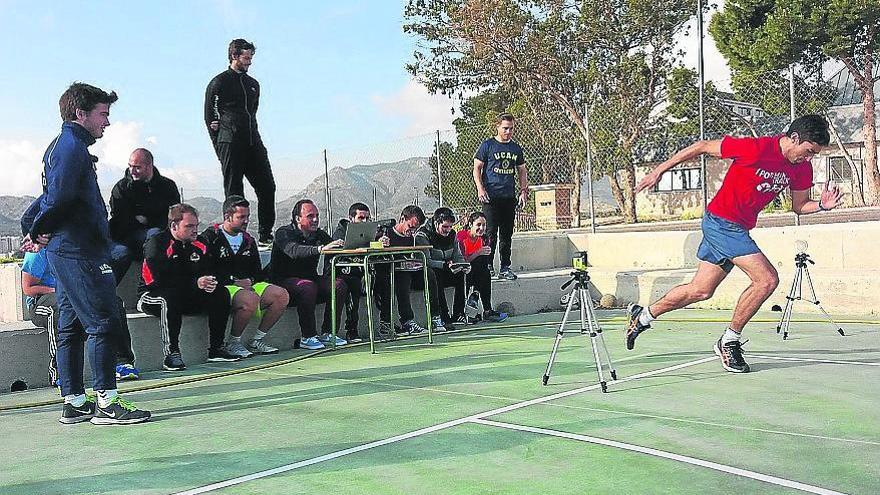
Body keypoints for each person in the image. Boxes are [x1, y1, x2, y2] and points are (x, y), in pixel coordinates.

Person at [627, 114, 842, 373]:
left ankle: (643, 316)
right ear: (794, 138)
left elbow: (799, 206)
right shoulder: (756, 148)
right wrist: (658, 171)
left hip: (736, 228)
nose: (809, 158)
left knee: (700, 290)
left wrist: (821, 205)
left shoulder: (801, 168)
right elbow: (702, 146)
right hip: (720, 223)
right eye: (808, 151)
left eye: (814, 155)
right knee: (767, 280)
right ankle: (729, 341)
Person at [26, 82, 149, 425]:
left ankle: (75, 401)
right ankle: (107, 403)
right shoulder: (70, 148)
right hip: (79, 252)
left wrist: (33, 224)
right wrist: (37, 228)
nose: (107, 122)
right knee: (102, 323)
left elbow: (52, 196)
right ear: (81, 114)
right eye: (103, 114)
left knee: (71, 327)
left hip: (70, 250)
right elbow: (60, 199)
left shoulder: (66, 147)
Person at [138, 203, 242, 371]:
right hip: (153, 295)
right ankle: (171, 353)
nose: (195, 230)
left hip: (186, 295)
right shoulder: (157, 243)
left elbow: (210, 269)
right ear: (174, 225)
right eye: (189, 226)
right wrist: (195, 283)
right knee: (169, 300)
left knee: (220, 293)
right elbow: (157, 281)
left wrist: (209, 282)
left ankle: (216, 349)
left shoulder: (200, 243)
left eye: (196, 226)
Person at [21, 250, 140, 385]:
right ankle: (60, 371)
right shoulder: (39, 249)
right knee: (59, 309)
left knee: (113, 302)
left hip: (76, 292)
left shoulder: (79, 243)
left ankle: (122, 361)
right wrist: (63, 290)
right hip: (41, 300)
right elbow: (28, 288)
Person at [205, 38, 276, 246]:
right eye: (246, 58)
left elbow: (252, 113)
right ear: (234, 56)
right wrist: (220, 147)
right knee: (235, 192)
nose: (249, 62)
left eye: (251, 58)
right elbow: (210, 118)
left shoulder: (253, 84)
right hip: (230, 143)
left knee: (267, 186)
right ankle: (235, 234)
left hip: (253, 142)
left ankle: (265, 234)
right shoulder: (219, 82)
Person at [202, 195, 289, 356]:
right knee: (249, 298)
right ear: (227, 217)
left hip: (247, 286)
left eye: (248, 216)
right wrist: (233, 281)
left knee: (281, 295)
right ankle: (233, 343)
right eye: (241, 217)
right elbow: (206, 270)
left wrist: (250, 281)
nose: (246, 221)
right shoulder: (210, 237)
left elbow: (257, 271)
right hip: (224, 287)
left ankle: (257, 340)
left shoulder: (248, 240)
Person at [268, 199, 348, 350]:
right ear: (298, 218)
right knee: (308, 287)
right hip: (283, 282)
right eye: (310, 216)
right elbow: (294, 251)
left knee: (338, 285)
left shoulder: (319, 234)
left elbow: (334, 249)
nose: (316, 219)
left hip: (310, 280)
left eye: (317, 215)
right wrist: (320, 249)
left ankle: (329, 333)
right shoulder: (283, 233)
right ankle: (308, 336)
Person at [108, 148, 181, 283]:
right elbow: (120, 218)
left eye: (137, 167)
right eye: (130, 166)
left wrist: (145, 219)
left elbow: (174, 217)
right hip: (126, 237)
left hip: (159, 236)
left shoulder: (167, 187)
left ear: (149, 166)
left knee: (157, 235)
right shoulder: (122, 188)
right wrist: (146, 220)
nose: (132, 171)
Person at [473, 112, 529, 281]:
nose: (508, 132)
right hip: (490, 197)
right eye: (505, 128)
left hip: (508, 196)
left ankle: (505, 267)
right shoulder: (487, 145)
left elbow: (522, 170)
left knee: (506, 234)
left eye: (511, 129)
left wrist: (523, 191)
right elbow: (477, 168)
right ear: (497, 127)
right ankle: (488, 266)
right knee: (490, 233)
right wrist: (480, 189)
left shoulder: (516, 148)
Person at [374, 205, 433, 338]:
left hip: (404, 270)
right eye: (410, 227)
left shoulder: (411, 237)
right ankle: (401, 321)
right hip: (386, 272)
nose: (412, 232)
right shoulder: (386, 233)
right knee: (400, 277)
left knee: (430, 274)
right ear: (402, 219)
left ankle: (436, 318)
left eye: (415, 229)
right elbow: (372, 249)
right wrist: (379, 244)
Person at [325, 202, 374, 343]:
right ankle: (351, 330)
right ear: (351, 218)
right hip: (341, 272)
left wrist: (380, 241)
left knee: (384, 278)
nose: (364, 221)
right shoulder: (341, 232)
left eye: (367, 218)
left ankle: (387, 324)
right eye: (361, 218)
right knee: (352, 284)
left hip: (359, 271)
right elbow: (335, 255)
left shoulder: (368, 231)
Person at [415, 207, 466, 329]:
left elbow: (457, 255)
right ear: (436, 223)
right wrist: (443, 265)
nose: (448, 230)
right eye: (444, 227)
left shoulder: (453, 235)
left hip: (447, 269)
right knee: (436, 274)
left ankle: (459, 313)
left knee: (461, 274)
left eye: (450, 227)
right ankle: (443, 316)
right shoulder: (422, 235)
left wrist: (462, 265)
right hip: (430, 273)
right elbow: (425, 261)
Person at [456, 212, 509, 324]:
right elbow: (462, 261)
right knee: (479, 263)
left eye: (484, 225)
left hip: (478, 272)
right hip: (462, 270)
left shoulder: (484, 239)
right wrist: (478, 252)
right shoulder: (461, 237)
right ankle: (473, 307)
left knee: (485, 268)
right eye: (478, 225)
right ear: (471, 224)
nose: (481, 228)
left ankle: (484, 306)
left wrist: (482, 253)